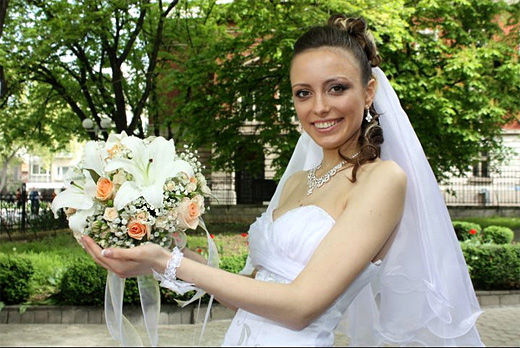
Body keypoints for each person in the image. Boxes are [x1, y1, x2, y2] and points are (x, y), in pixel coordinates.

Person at [82, 14, 484, 346]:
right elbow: (253, 295)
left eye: (337, 88)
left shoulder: (382, 180)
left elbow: (300, 306)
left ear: (369, 92)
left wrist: (168, 263)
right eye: (303, 93)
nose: (319, 107)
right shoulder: (296, 183)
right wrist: (164, 258)